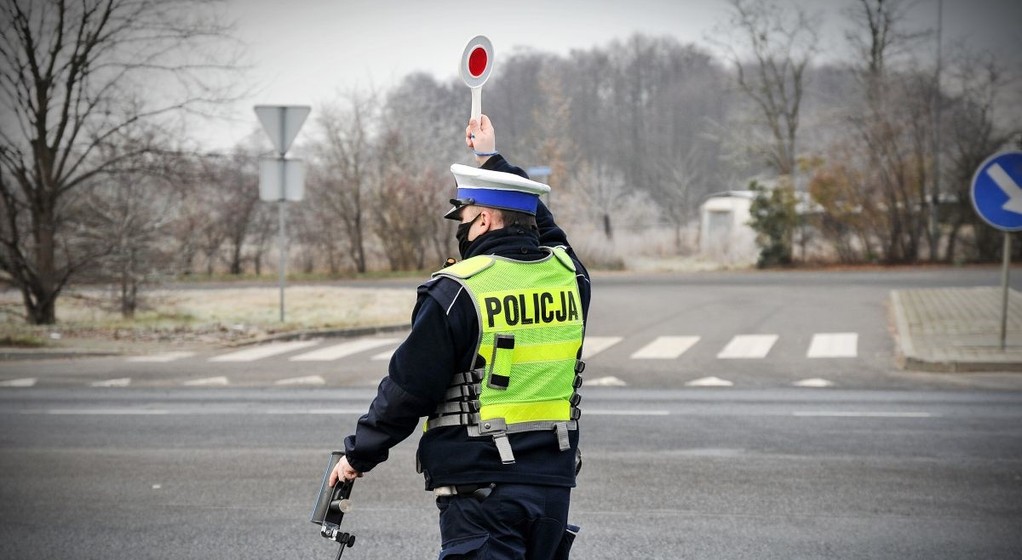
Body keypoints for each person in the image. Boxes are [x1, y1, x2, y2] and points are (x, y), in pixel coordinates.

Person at [328, 114, 591, 559]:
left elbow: (409, 389)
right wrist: (491, 159)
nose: (460, 228)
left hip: (481, 491)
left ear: (484, 220)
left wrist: (358, 455)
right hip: (553, 486)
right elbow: (544, 227)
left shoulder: (457, 291)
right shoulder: (571, 279)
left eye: (464, 217)